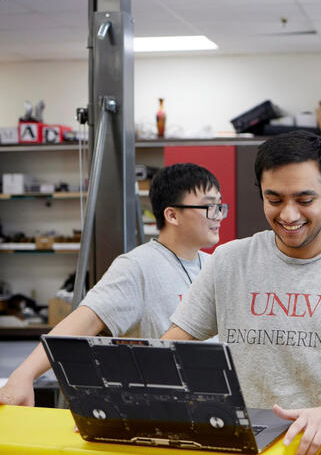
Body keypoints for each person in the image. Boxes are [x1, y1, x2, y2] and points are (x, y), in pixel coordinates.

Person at [161, 131, 321, 455]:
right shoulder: (229, 260)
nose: (289, 215)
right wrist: (136, 401)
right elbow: (176, 342)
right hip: (248, 452)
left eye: (305, 200)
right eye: (274, 200)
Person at [0, 163, 225, 407]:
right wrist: (24, 375)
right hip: (163, 411)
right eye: (209, 206)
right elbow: (85, 321)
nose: (218, 215)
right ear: (172, 215)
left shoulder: (215, 265)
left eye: (219, 206)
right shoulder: (138, 266)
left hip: (215, 408)